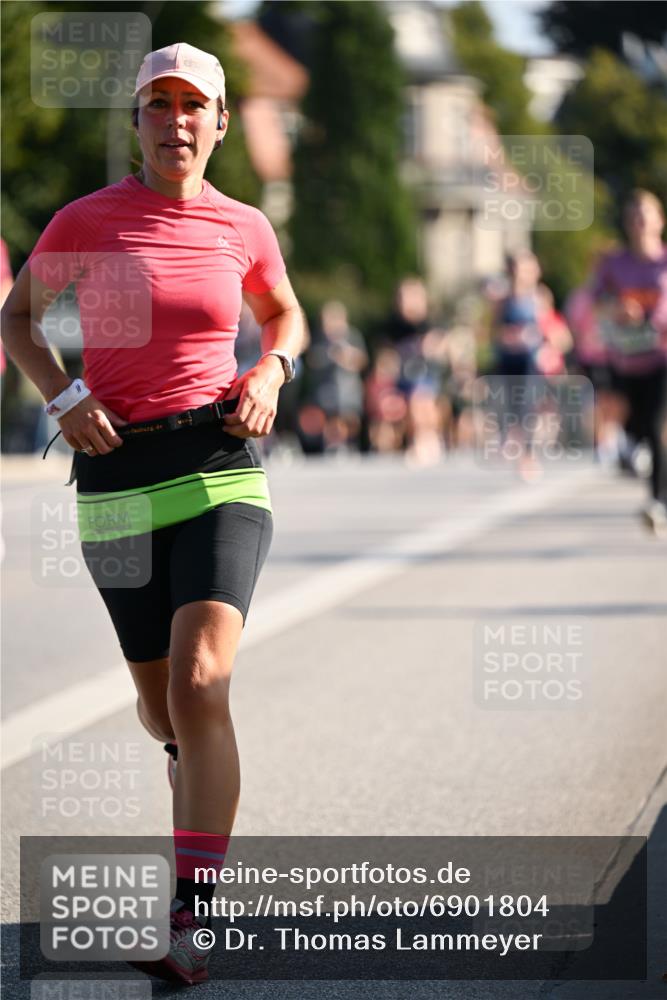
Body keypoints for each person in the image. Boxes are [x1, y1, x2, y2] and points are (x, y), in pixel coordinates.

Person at [1, 42, 304, 984]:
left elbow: (284, 312)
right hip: (115, 472)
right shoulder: (86, 221)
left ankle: (192, 915)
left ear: (219, 125)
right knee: (159, 702)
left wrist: (271, 369)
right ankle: (187, 756)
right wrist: (62, 398)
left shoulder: (244, 227)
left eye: (193, 107)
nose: (176, 121)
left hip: (217, 462)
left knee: (202, 680)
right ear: (136, 123)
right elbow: (18, 317)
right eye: (157, 105)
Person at [592, 189, 667, 534]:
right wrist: (616, 310)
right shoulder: (614, 264)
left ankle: (658, 501)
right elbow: (593, 300)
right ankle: (638, 461)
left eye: (645, 213)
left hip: (662, 356)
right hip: (626, 358)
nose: (639, 221)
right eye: (633, 214)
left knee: (656, 425)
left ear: (659, 220)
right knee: (633, 427)